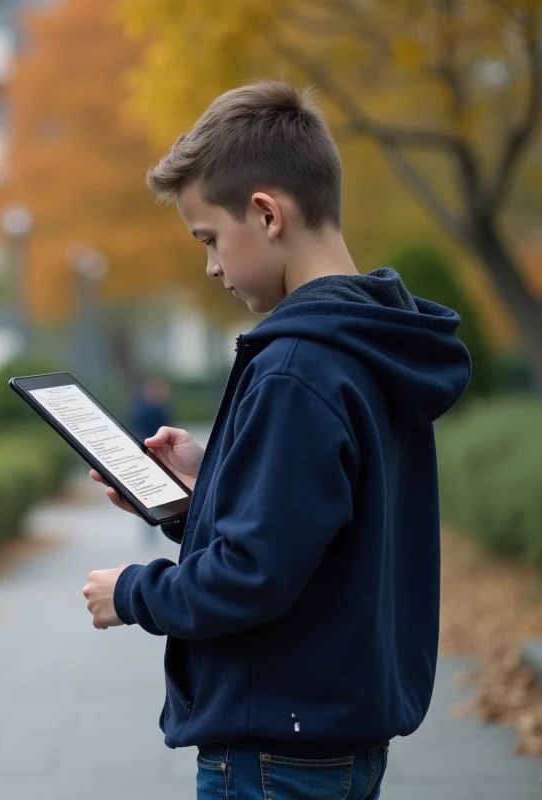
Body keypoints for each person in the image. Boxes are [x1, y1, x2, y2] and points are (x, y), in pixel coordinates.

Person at [80, 80, 471, 800]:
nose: (212, 267)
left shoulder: (297, 365)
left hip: (272, 760)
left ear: (264, 213)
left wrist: (133, 592)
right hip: (336, 740)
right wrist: (214, 485)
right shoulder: (369, 344)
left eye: (209, 239)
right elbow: (314, 540)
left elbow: (253, 576)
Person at [129, 376, 173, 546]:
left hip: (161, 453)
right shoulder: (143, 409)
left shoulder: (160, 407)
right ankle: (151, 525)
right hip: (148, 453)